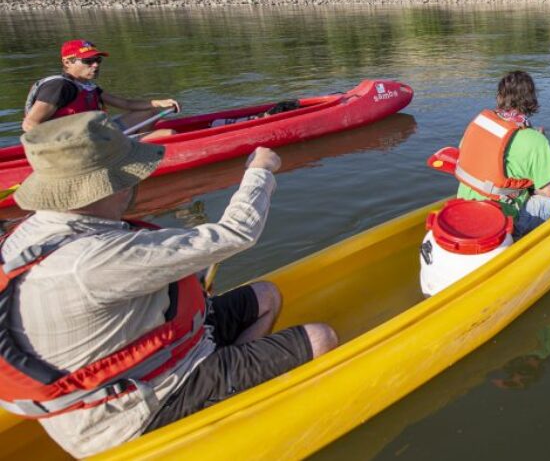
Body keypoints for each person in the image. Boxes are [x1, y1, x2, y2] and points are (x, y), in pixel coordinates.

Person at [0, 113, 337, 458]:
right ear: (107, 186)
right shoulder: (90, 260)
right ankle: (239, 429)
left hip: (140, 361)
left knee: (265, 296)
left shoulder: (30, 234)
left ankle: (228, 388)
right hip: (132, 411)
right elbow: (236, 234)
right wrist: (260, 171)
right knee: (319, 338)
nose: (135, 184)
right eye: (129, 177)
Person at [455, 70, 550, 236]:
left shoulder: (481, 123)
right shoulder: (536, 141)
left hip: (465, 203)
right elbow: (546, 192)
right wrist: (538, 142)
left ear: (500, 96)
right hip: (504, 218)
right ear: (531, 99)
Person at [22, 40, 180, 139]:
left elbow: (126, 103)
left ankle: (132, 147)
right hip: (80, 144)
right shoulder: (59, 86)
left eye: (97, 60)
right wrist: (68, 144)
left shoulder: (87, 85)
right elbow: (29, 124)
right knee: (169, 134)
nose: (95, 65)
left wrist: (159, 103)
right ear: (67, 62)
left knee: (151, 111)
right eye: (88, 61)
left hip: (96, 134)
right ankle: (136, 149)